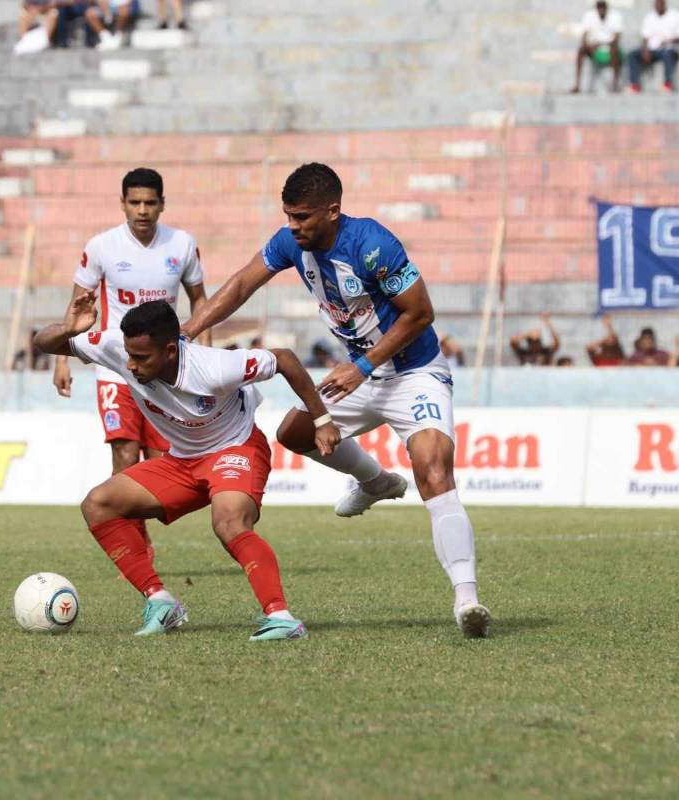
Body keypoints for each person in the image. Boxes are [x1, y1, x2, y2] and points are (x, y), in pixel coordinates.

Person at [181, 162, 492, 637]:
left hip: (413, 373)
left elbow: (420, 313)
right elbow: (243, 283)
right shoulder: (291, 243)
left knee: (433, 468)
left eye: (302, 216)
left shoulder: (372, 245)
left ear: (332, 210)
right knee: (294, 433)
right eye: (288, 216)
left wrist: (363, 366)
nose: (293, 226)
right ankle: (374, 481)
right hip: (360, 374)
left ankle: (466, 600)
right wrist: (188, 330)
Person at [35, 297, 339, 640]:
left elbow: (284, 359)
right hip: (181, 461)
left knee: (229, 522)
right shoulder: (116, 347)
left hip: (234, 448)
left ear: (169, 350)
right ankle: (161, 602)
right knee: (98, 504)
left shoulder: (214, 367)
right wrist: (67, 330)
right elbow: (43, 343)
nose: (131, 365)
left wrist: (322, 420)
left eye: (141, 358)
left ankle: (281, 617)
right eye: (129, 355)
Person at [52, 166, 210, 569]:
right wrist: (62, 359)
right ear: (122, 203)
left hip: (163, 372)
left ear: (162, 204)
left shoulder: (182, 244)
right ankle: (137, 551)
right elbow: (77, 307)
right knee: (124, 455)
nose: (142, 210)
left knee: (161, 462)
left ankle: (142, 527)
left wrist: (204, 354)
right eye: (135, 202)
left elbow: (200, 301)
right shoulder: (102, 247)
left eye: (150, 203)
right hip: (114, 368)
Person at [628, 0, 679, 93]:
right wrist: (645, 50)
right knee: (632, 55)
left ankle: (668, 84)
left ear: (664, 3)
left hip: (670, 48)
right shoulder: (649, 17)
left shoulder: (676, 16)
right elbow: (645, 37)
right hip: (652, 49)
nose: (658, 6)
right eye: (656, 4)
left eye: (660, 3)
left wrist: (668, 41)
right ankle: (635, 85)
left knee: (667, 54)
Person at [572, 1, 623, 94]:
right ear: (596, 7)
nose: (601, 9)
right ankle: (577, 85)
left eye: (603, 6)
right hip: (594, 48)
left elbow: (617, 37)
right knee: (581, 50)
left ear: (607, 7)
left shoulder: (615, 16)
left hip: (609, 47)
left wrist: (600, 44)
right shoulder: (589, 15)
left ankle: (615, 85)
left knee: (615, 50)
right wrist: (588, 45)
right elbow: (584, 34)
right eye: (599, 6)